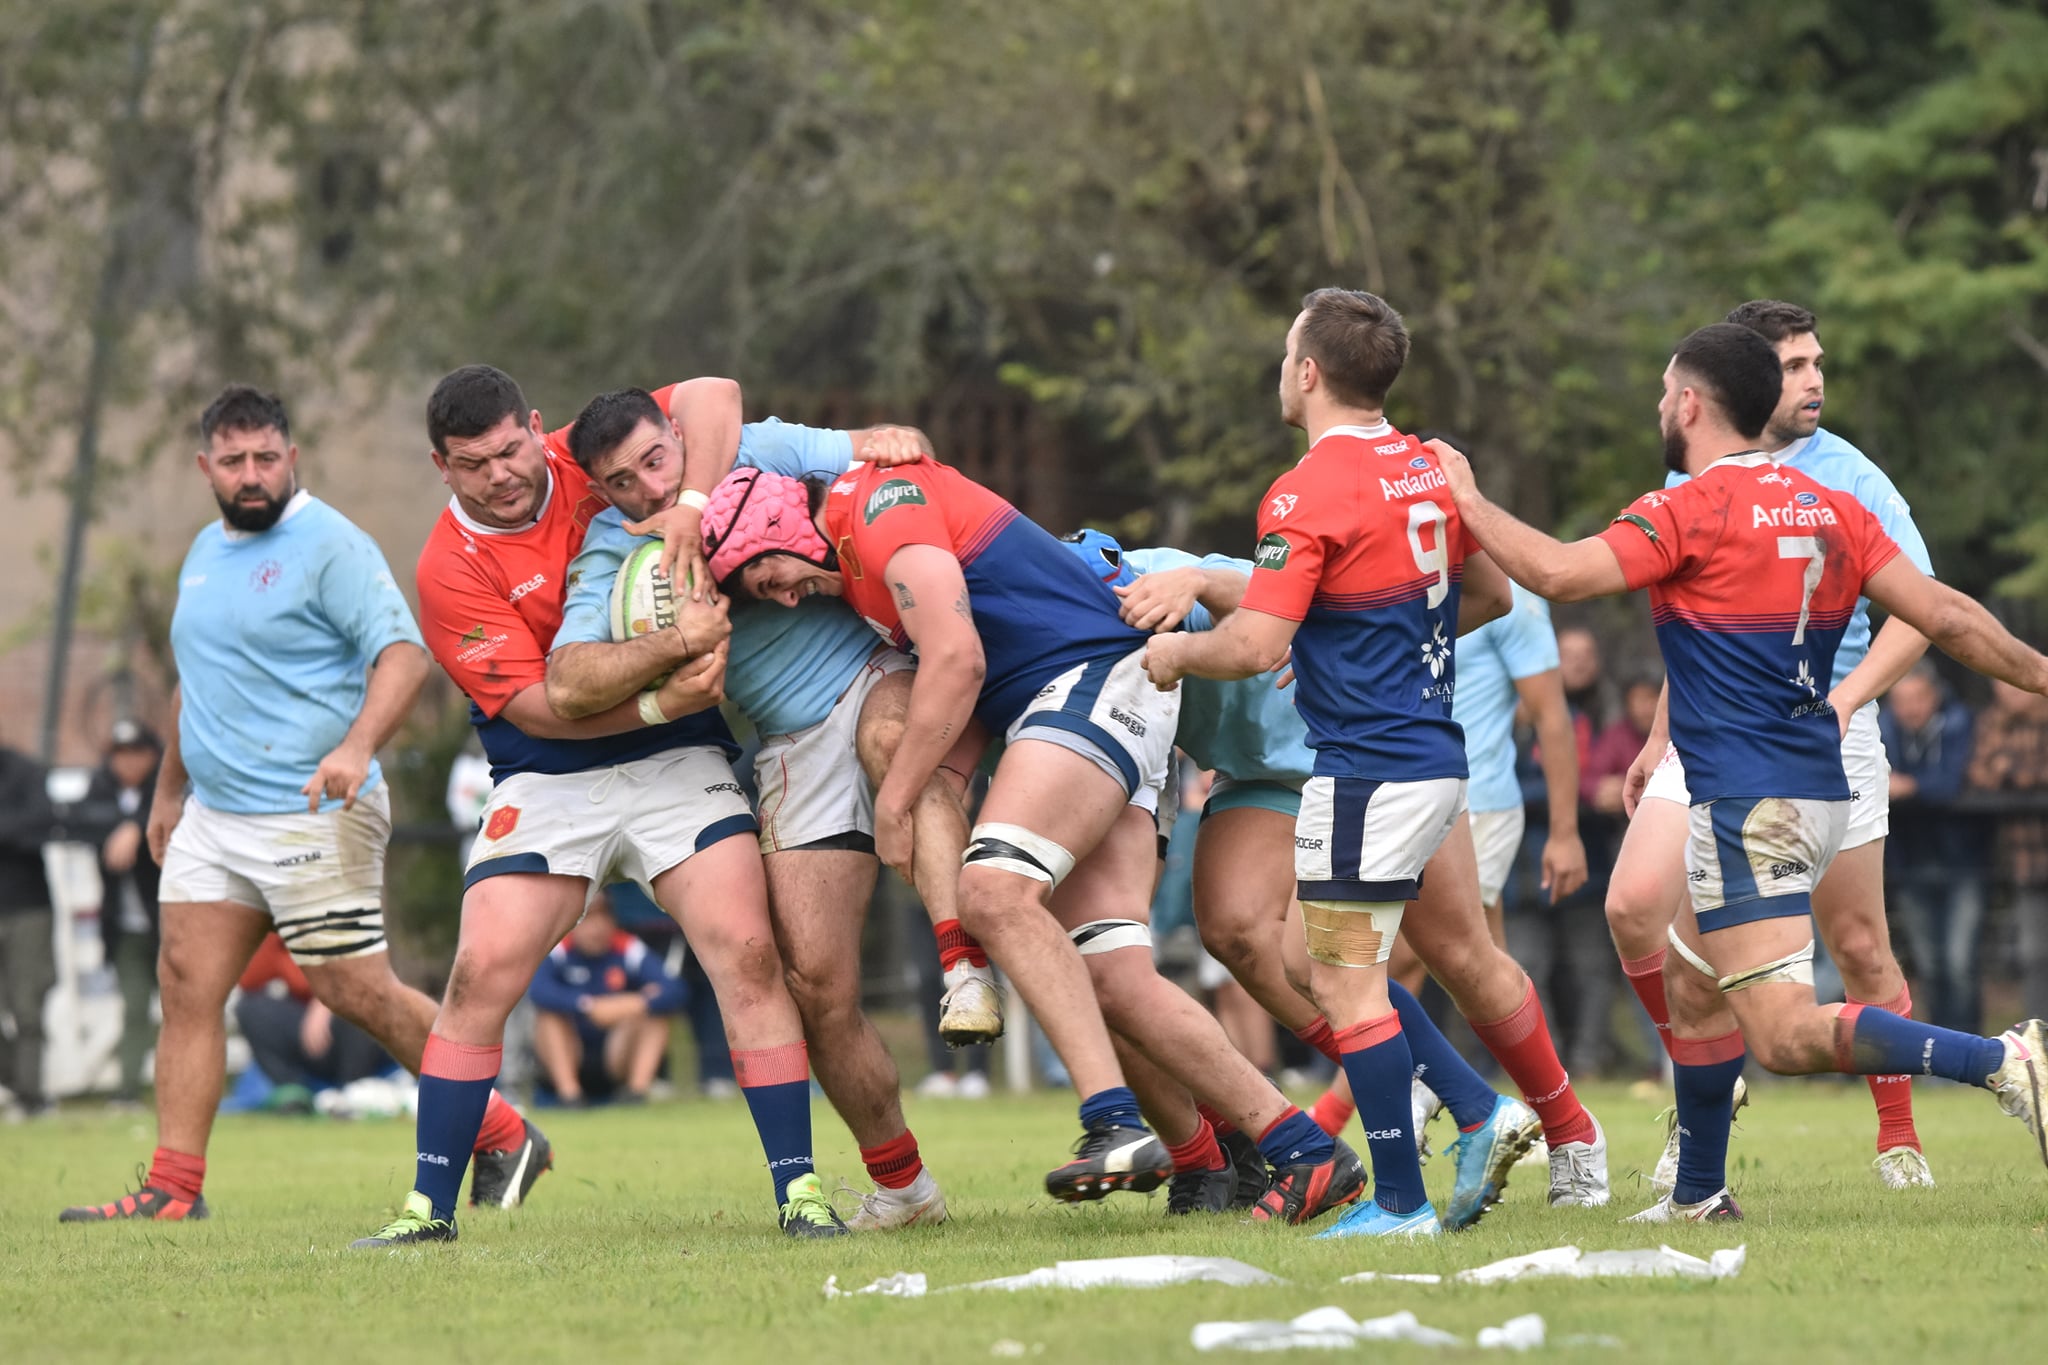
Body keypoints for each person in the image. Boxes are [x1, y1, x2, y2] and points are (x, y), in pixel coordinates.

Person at [1433, 320, 2048, 1223]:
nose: (1656, 406)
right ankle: (1699, 1193)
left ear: (1690, 403)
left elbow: (1560, 575)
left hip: (1750, 802)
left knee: (1789, 1034)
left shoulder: (1686, 510)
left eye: (1663, 392)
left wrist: (1468, 499)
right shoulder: (1826, 506)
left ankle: (2003, 1062)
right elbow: (1949, 616)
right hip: (1814, 782)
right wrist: (2039, 672)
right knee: (1689, 980)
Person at [703, 449, 1365, 1225]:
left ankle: (1114, 1120)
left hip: (1087, 680)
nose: (782, 597)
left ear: (782, 521)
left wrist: (898, 801)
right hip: (1083, 697)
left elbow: (958, 658)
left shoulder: (878, 507)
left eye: (769, 571)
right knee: (1112, 972)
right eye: (761, 594)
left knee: (994, 889)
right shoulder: (856, 547)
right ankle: (1306, 1148)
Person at [1142, 287, 1609, 1238]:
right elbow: (1483, 595)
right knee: (1338, 963)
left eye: (1285, 356)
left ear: (1308, 373)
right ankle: (1482, 1116)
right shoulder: (1426, 469)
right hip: (1436, 754)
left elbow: (1253, 642)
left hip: (1366, 764)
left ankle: (1400, 1200)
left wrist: (1177, 652)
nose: (1281, 371)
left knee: (1343, 982)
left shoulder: (1306, 487)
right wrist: (1347, 640)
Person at [348, 365, 844, 1248]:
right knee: (477, 973)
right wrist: (665, 688)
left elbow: (712, 393)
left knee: (750, 952)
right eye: (474, 464)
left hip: (675, 761)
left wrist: (689, 503)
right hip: (548, 774)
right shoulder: (445, 569)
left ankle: (799, 1193)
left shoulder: (591, 457)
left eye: (510, 450)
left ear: (535, 428)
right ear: (441, 467)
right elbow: (546, 705)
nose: (501, 475)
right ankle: (429, 1209)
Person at [60, 385, 543, 1224]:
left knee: (355, 991)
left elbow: (402, 657)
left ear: (293, 457)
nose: (252, 474)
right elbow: (194, 686)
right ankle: (173, 1189)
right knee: (186, 986)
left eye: (266, 457)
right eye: (235, 460)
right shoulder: (205, 553)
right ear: (206, 466)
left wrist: (356, 747)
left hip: (311, 808)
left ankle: (503, 1128)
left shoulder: (330, 543)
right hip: (215, 814)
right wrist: (169, 787)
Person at [546, 387, 974, 1228]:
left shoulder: (749, 451)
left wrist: (879, 452)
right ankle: (905, 1187)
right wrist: (673, 643)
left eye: (655, 460)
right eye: (621, 482)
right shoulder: (611, 548)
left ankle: (964, 966)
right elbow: (567, 681)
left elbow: (891, 450)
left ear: (676, 438)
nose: (647, 488)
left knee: (895, 750)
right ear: (601, 492)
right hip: (790, 742)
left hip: (873, 672)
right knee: (815, 986)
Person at [1064, 528, 1549, 1231]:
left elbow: (1274, 593)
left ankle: (1538, 1130)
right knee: (1234, 930)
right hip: (1256, 768)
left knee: (1421, 957)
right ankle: (1457, 1105)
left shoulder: (1169, 580)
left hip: (1348, 746)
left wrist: (1224, 594)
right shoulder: (1078, 643)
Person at [1603, 300, 1945, 1193]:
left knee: (1860, 944)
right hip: (1715, 728)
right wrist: (1655, 736)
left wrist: (1844, 699)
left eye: (1817, 362)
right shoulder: (1697, 472)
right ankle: (1703, 1090)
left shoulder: (1848, 476)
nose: (1814, 380)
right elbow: (1701, 619)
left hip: (1822, 726)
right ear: (1744, 382)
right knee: (1633, 903)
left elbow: (1924, 611)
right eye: (1793, 367)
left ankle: (1899, 1136)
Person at [1880, 664, 1984, 1034]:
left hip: (1961, 863)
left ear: (1934, 697)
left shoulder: (1957, 725)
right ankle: (1943, 1048)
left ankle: (1974, 1043)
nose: (1909, 708)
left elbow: (1949, 783)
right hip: (1909, 864)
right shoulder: (1884, 730)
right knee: (1931, 965)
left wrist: (1910, 787)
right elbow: (1880, 782)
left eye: (1917, 698)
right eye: (1901, 700)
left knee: (1960, 963)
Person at [74, 721, 165, 1102]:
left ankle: (179, 1089)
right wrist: (124, 826)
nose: (127, 763)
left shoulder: (166, 786)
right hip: (125, 925)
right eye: (120, 754)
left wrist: (136, 827)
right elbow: (76, 821)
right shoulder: (101, 790)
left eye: (136, 753)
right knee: (134, 1007)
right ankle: (129, 1089)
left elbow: (180, 815)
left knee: (187, 1010)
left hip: (173, 921)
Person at [526, 891, 684, 1105]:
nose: (597, 927)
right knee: (549, 1019)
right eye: (589, 919)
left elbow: (675, 989)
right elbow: (538, 989)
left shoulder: (627, 947)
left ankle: (636, 1095)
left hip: (615, 1054)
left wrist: (631, 1004)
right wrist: (586, 1006)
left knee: (655, 1016)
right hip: (574, 1050)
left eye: (603, 917)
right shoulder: (560, 948)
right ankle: (570, 1096)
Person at [1968, 680, 2048, 1020]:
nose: (2009, 692)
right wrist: (2028, 775)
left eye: (2015, 684)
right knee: (2034, 955)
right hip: (2027, 860)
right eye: (2002, 685)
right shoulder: (1993, 721)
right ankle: (2041, 1034)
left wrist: (2011, 771)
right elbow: (1980, 773)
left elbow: (2001, 771)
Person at [233, 933, 397, 1097]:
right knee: (251, 1009)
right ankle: (294, 1094)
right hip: (309, 1032)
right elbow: (248, 981)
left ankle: (352, 1092)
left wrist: (325, 1000)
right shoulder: (280, 937)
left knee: (360, 1004)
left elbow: (365, 973)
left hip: (355, 1025)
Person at [0, 735, 59, 1119]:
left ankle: (32, 1098)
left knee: (27, 1009)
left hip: (27, 909)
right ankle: (19, 1085)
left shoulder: (23, 770)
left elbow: (42, 823)